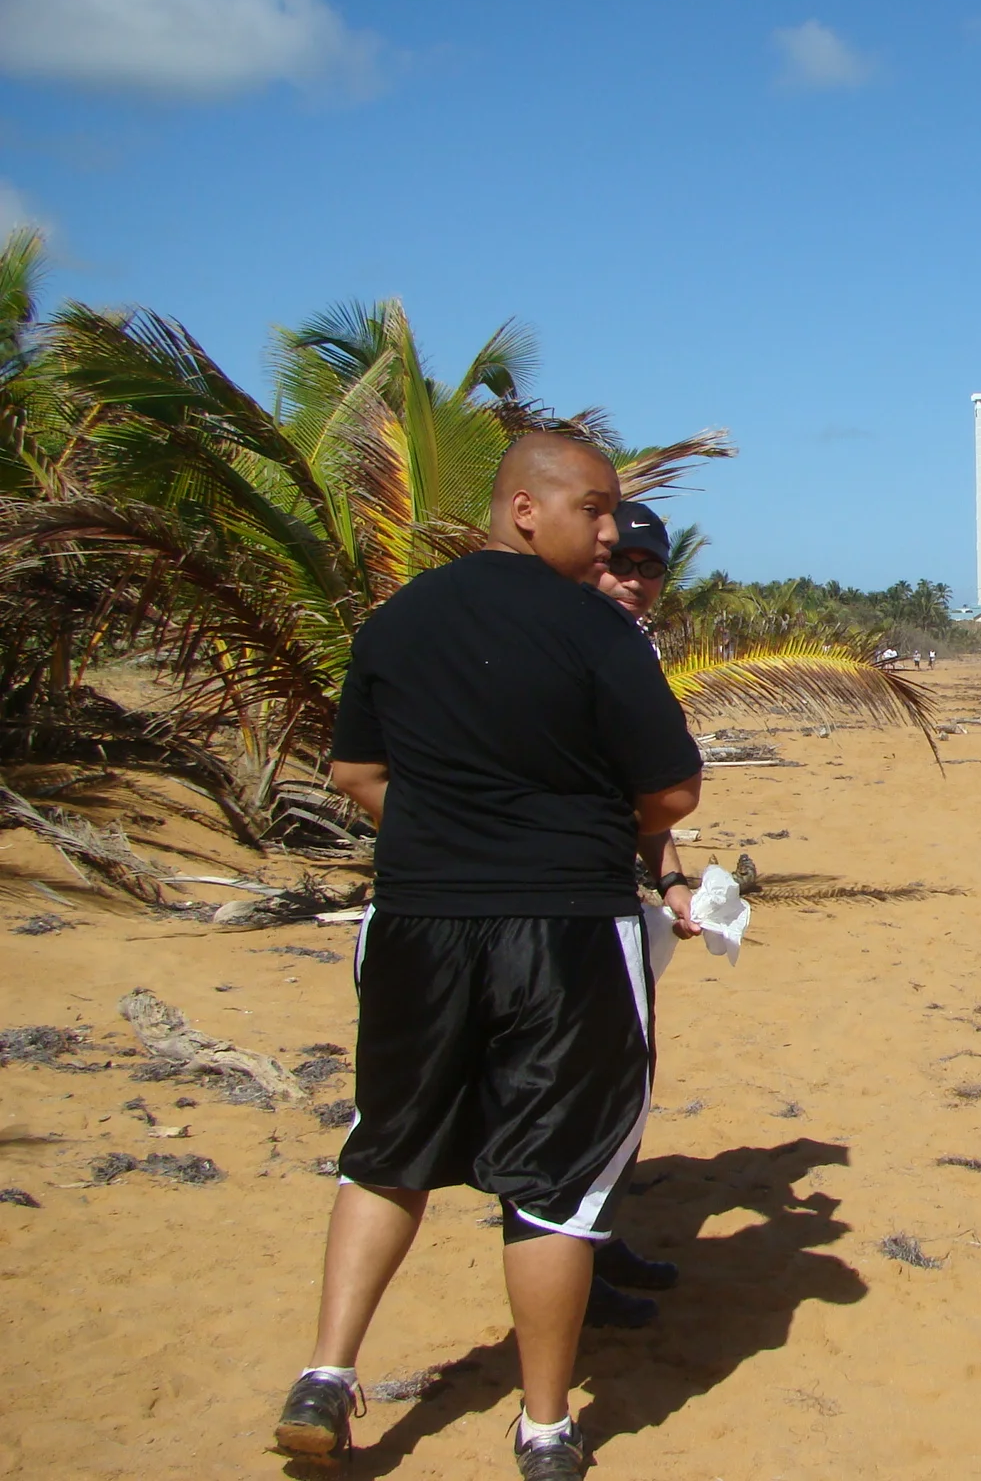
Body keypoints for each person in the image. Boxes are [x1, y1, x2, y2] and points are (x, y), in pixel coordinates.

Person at [273, 434, 704, 1480]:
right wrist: (570, 833)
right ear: (524, 508)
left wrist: (448, 835)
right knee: (556, 1178)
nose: (609, 531)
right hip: (566, 926)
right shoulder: (596, 631)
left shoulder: (397, 620)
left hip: (416, 922)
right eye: (593, 509)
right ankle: (546, 1427)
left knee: (389, 1147)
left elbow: (355, 770)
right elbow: (672, 791)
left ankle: (326, 1374)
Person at [579, 499, 701, 1330]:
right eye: (619, 561)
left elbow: (646, 792)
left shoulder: (633, 650)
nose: (632, 578)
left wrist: (672, 883)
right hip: (555, 905)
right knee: (584, 1088)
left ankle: (596, 1234)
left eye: (649, 568)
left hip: (608, 899)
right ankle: (572, 1253)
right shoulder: (563, 644)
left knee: (624, 1080)